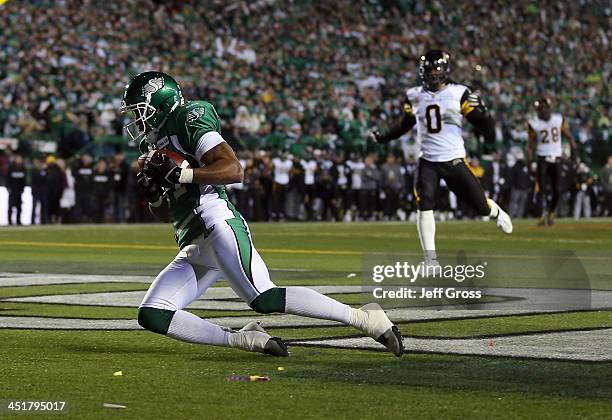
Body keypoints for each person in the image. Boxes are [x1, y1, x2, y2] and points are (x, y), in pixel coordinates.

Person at [120, 71, 403, 357]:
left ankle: (364, 318)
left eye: (140, 110)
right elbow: (165, 211)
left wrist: (183, 175)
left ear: (162, 102)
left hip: (217, 223)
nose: (137, 119)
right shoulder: (150, 146)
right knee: (153, 313)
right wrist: (155, 194)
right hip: (192, 239)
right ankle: (244, 339)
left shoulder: (189, 117)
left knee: (264, 297)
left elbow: (233, 170)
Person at [371, 50, 512, 269]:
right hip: (427, 160)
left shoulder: (459, 93)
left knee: (480, 207)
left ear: (445, 70)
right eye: (428, 69)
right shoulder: (414, 95)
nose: (432, 73)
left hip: (454, 160)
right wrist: (383, 137)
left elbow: (487, 132)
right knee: (424, 203)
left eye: (436, 68)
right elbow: (404, 125)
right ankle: (430, 260)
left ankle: (495, 211)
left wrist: (486, 115)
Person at [527, 97, 577, 226]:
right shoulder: (534, 123)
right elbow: (530, 146)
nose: (544, 112)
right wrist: (530, 162)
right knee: (541, 189)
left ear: (549, 108)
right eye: (541, 109)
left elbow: (570, 138)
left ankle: (551, 212)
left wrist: (574, 157)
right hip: (542, 158)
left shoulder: (558, 119)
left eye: (545, 108)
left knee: (557, 189)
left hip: (557, 158)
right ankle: (543, 214)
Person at [7, 154, 26, 225]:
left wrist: (23, 189)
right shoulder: (11, 167)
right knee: (10, 206)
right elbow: (7, 179)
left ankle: (18, 221)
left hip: (19, 191)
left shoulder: (22, 168)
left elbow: (23, 180)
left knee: (19, 207)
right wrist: (8, 188)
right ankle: (9, 221)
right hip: (12, 191)